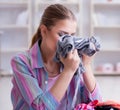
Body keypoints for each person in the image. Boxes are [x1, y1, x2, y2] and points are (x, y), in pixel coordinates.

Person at [11, 4, 102, 110]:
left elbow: (98, 104)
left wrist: (86, 65)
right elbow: (40, 108)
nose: (68, 41)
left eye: (72, 35)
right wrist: (68, 71)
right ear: (44, 31)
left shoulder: (72, 60)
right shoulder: (21, 62)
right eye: (62, 35)